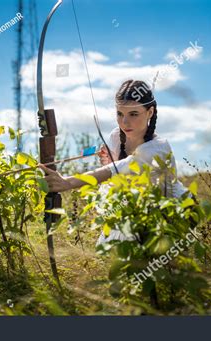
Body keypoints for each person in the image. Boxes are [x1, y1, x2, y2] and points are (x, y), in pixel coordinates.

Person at [39, 80, 188, 245]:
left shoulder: (158, 148)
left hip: (173, 214)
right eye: (120, 114)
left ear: (150, 112)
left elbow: (114, 170)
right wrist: (109, 162)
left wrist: (67, 182)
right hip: (136, 210)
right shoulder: (116, 136)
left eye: (133, 114)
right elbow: (116, 175)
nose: (125, 122)